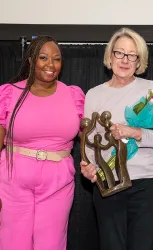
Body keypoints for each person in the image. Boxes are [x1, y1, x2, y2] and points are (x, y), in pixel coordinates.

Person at [80, 27, 153, 250]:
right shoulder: (93, 94)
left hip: (147, 186)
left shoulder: (152, 89)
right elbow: (90, 144)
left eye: (132, 55)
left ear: (139, 60)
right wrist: (88, 167)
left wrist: (133, 132)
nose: (125, 60)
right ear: (110, 55)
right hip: (108, 185)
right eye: (120, 53)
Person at [0, 35, 85, 250]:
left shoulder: (73, 95)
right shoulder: (9, 93)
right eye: (43, 57)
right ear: (31, 60)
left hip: (58, 184)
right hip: (12, 181)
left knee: (51, 244)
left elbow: (87, 139)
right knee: (14, 243)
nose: (50, 64)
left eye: (56, 59)